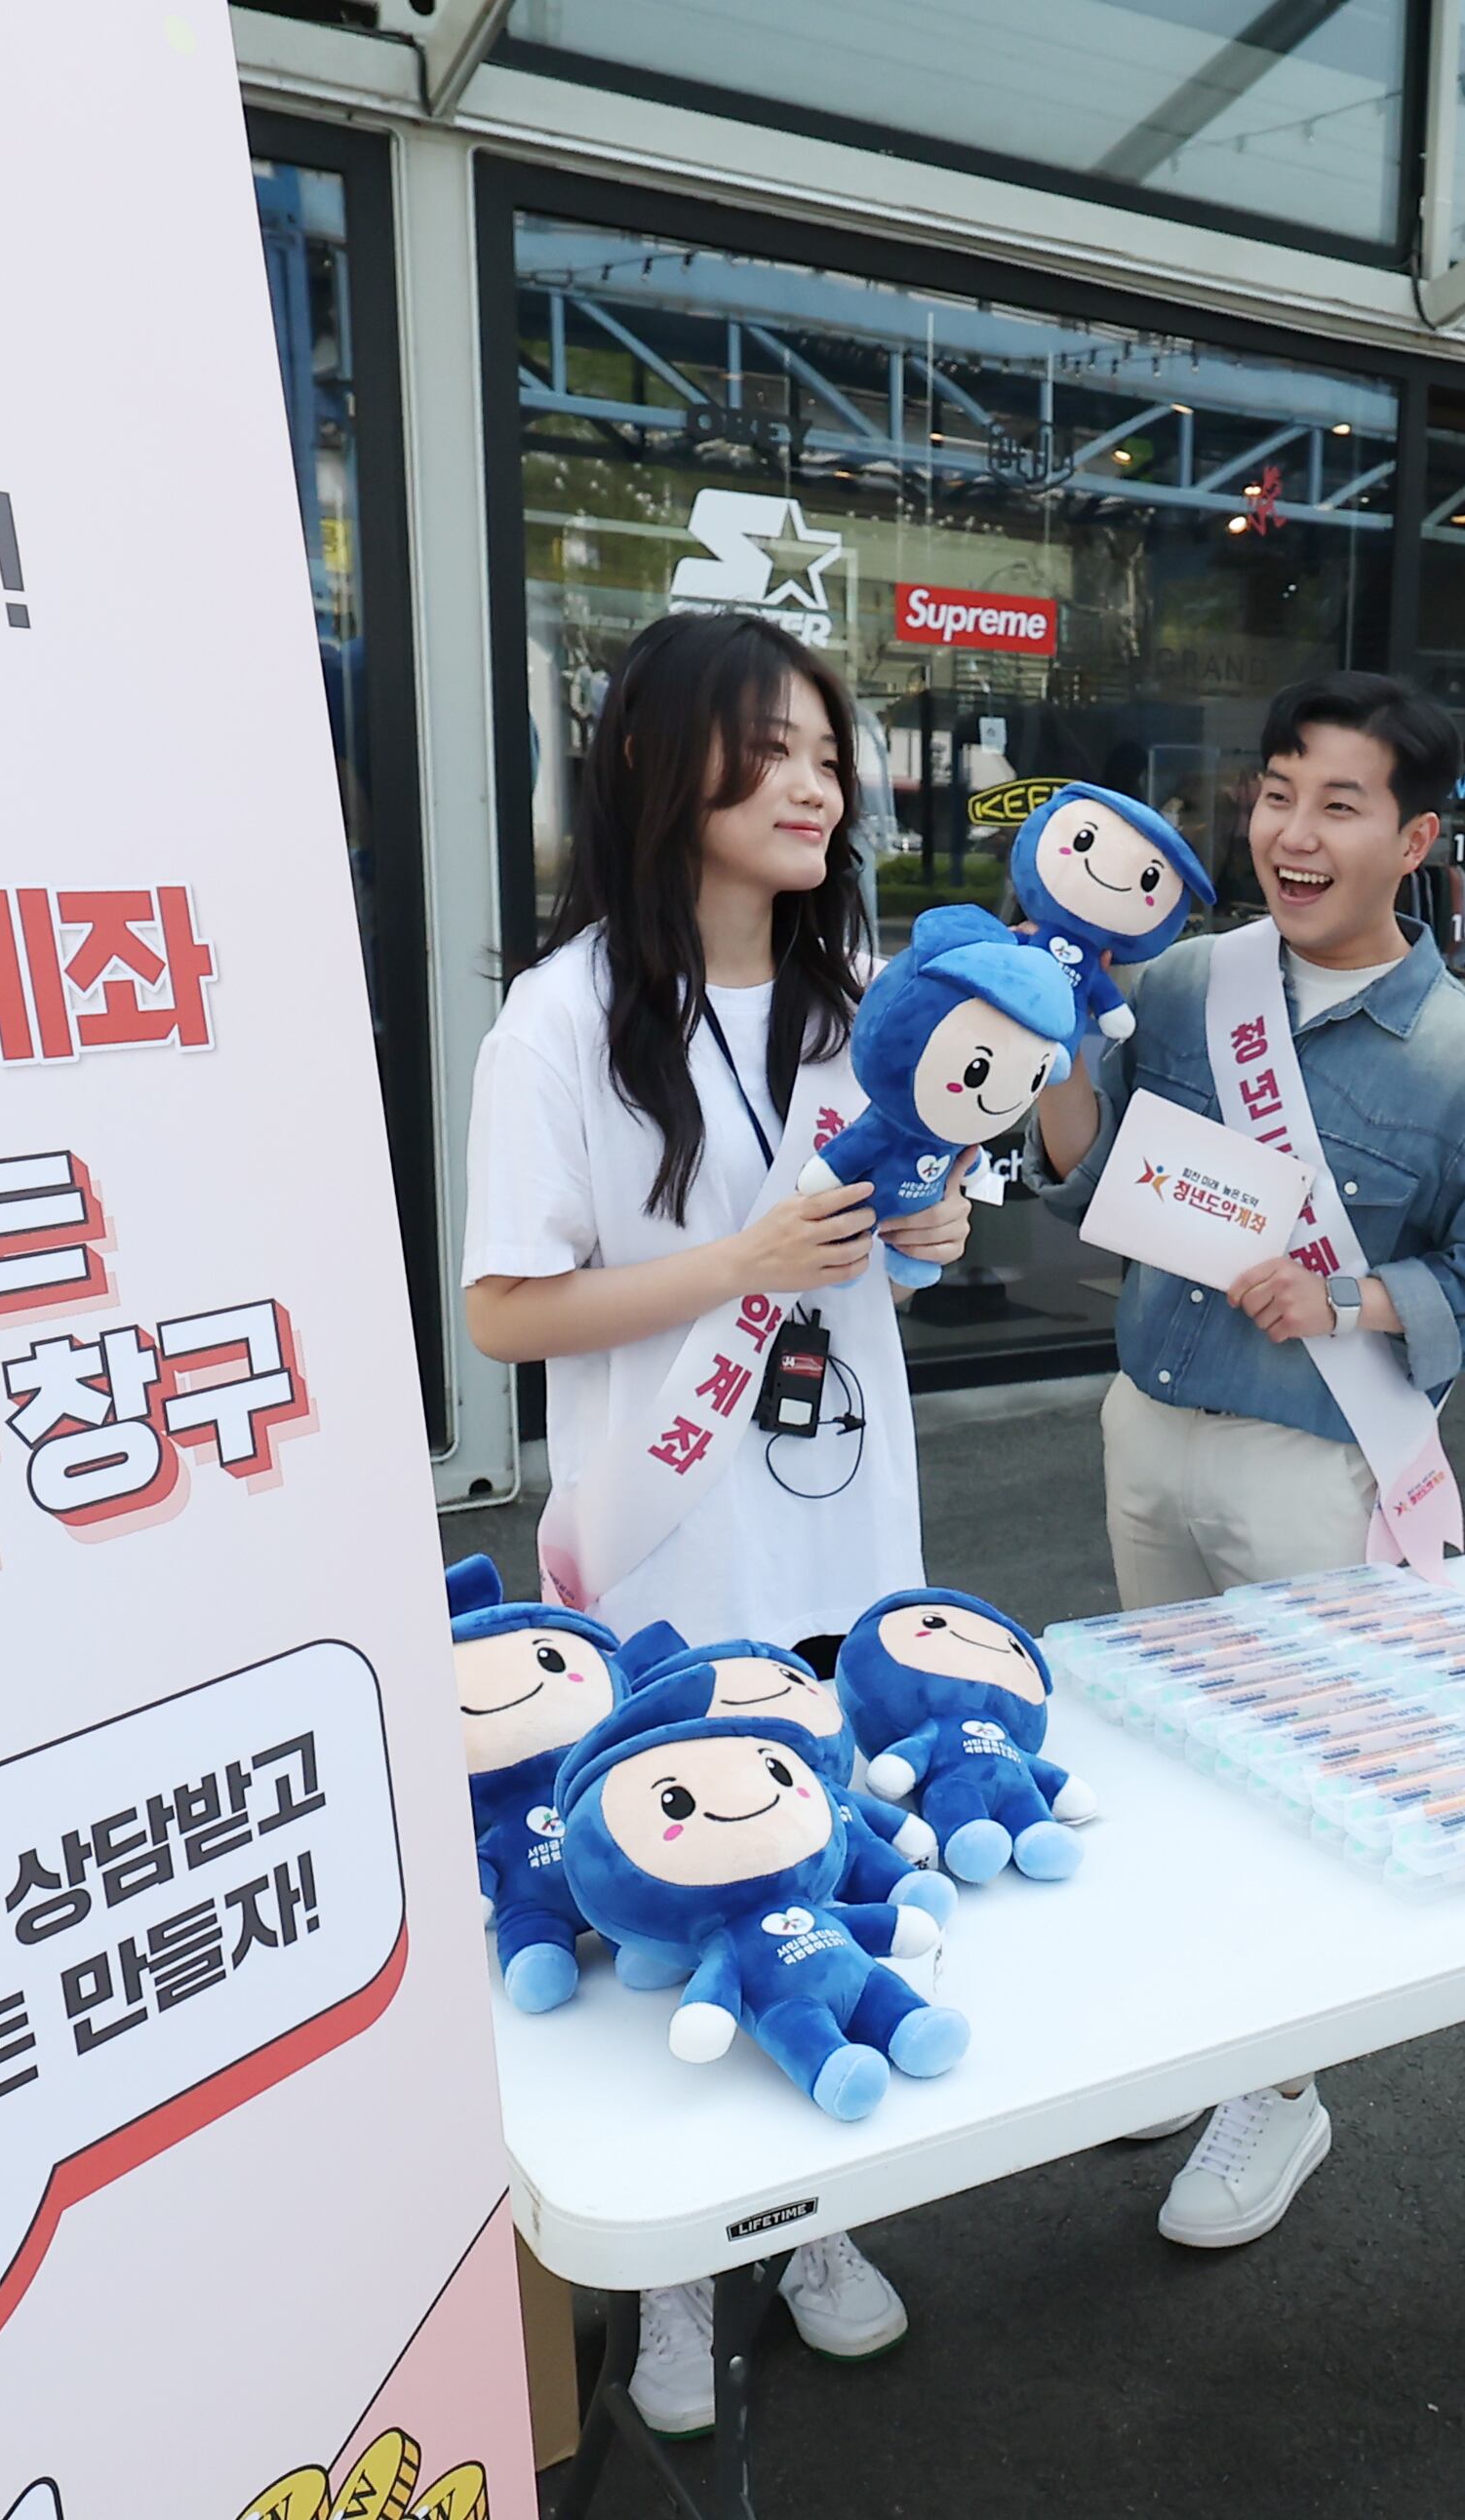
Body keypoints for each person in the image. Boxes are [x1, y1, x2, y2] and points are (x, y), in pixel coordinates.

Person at [462, 610, 966, 2436]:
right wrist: (738, 1265)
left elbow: (887, 1256)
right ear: (659, 764)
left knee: (823, 1853)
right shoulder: (562, 1016)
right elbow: (504, 1311)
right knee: (667, 1888)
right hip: (667, 1547)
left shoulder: (862, 1001)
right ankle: (675, 2275)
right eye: (773, 750)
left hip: (844, 1533)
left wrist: (927, 1239)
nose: (817, 785)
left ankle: (816, 2222)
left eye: (831, 754)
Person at [1022, 669, 1465, 2249]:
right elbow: (1088, 1177)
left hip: (1314, 1466)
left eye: (1341, 804)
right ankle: (1195, 2035)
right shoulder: (1189, 982)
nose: (1295, 834)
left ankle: (1284, 2085)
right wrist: (1052, 1049)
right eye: (1276, 795)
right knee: (1163, 1757)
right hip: (1147, 1426)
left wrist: (1352, 1297)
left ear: (1417, 840)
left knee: (1303, 1785)